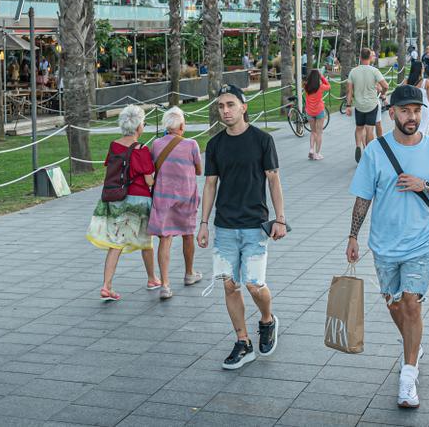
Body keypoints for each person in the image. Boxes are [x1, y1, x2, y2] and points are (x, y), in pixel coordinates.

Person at [346, 84, 429, 410]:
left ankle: (408, 376)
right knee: (394, 304)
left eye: (417, 110)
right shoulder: (375, 151)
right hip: (383, 244)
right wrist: (353, 236)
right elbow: (363, 196)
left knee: (411, 304)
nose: (412, 117)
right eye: (406, 111)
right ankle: (414, 340)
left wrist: (424, 185)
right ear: (392, 112)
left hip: (421, 243)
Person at [198, 84, 286, 370]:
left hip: (254, 225)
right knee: (230, 285)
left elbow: (273, 179)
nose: (225, 110)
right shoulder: (215, 145)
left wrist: (280, 218)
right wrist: (203, 223)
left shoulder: (262, 140)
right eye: (221, 105)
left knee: (253, 284)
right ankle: (243, 342)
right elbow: (210, 184)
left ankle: (267, 320)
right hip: (224, 227)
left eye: (231, 105)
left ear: (243, 107)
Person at [87, 105, 160, 301]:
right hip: (139, 199)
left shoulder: (114, 145)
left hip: (117, 198)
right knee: (146, 241)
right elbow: (148, 180)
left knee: (116, 242)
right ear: (138, 127)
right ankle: (152, 278)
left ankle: (106, 285)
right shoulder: (141, 149)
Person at [148, 107, 204, 300]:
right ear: (181, 125)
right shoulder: (191, 144)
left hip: (163, 198)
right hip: (185, 197)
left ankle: (165, 284)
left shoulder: (156, 144)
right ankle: (189, 273)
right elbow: (199, 170)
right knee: (188, 235)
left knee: (165, 239)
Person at [343, 48, 388, 163]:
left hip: (359, 106)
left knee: (359, 128)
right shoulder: (374, 71)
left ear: (360, 57)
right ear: (369, 57)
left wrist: (348, 106)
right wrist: (383, 94)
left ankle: (358, 146)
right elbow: (386, 86)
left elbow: (349, 91)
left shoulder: (353, 71)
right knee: (369, 130)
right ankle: (368, 152)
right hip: (372, 105)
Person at [303, 68, 330, 160]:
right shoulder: (321, 86)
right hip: (319, 111)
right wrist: (322, 76)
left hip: (309, 112)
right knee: (319, 133)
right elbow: (329, 86)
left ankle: (311, 149)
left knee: (313, 131)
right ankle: (317, 154)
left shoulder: (306, 86)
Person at [406, 61, 429, 134]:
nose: (424, 68)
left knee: (412, 130)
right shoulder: (426, 82)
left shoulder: (406, 81)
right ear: (420, 69)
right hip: (424, 108)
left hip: (410, 108)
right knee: (423, 130)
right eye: (423, 67)